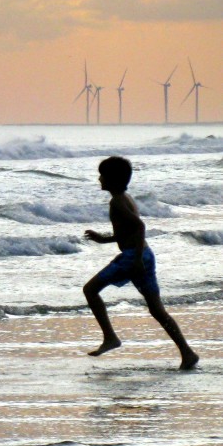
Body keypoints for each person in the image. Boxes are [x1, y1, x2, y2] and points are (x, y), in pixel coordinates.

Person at [83, 155, 198, 369]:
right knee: (156, 309)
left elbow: (139, 227)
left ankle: (110, 337)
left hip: (133, 257)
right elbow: (127, 231)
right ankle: (187, 352)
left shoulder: (117, 202)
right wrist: (104, 239)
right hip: (144, 254)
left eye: (102, 175)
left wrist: (135, 260)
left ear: (113, 179)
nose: (99, 179)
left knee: (90, 290)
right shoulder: (125, 198)